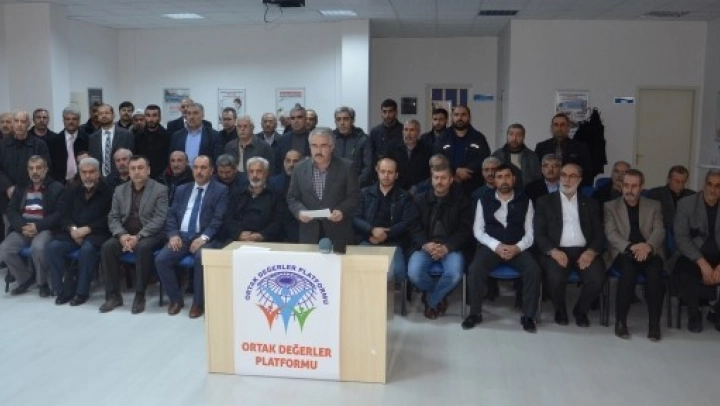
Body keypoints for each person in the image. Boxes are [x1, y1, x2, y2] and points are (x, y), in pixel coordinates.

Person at [464, 164, 542, 333]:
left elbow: (530, 232)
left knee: (534, 270)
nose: (504, 180)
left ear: (514, 179)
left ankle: (528, 316)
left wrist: (517, 248)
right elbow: (478, 230)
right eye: (499, 177)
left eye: (507, 176)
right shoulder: (484, 199)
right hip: (491, 247)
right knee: (475, 269)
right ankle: (475, 313)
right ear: (494, 180)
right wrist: (496, 246)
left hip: (517, 247)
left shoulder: (525, 200)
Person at [155, 155, 228, 318]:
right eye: (196, 167)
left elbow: (218, 219)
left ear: (211, 170)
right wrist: (173, 234)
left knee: (201, 258)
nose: (199, 171)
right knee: (161, 259)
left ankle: (198, 303)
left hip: (206, 237)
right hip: (182, 236)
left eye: (203, 168)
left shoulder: (220, 190)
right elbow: (171, 214)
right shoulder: (182, 189)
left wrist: (203, 238)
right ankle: (176, 299)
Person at [534, 163, 605, 327]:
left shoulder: (591, 203)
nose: (567, 180)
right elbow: (539, 233)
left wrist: (591, 251)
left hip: (584, 250)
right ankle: (560, 309)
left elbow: (599, 234)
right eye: (564, 175)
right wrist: (552, 251)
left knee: (597, 279)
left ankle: (581, 310)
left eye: (572, 176)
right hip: (556, 250)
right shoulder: (544, 202)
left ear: (579, 180)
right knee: (555, 278)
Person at [99, 155, 168, 314]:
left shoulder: (160, 190)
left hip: (151, 234)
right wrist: (122, 235)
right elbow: (113, 217)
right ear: (129, 171)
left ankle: (140, 295)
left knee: (143, 248)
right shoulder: (119, 190)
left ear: (148, 170)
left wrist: (138, 237)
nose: (137, 172)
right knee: (107, 247)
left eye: (140, 168)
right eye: (133, 168)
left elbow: (159, 219)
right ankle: (113, 296)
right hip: (126, 233)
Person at [604, 169, 665, 341]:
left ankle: (654, 324)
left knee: (655, 275)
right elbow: (611, 233)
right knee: (628, 273)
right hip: (624, 251)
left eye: (634, 186)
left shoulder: (654, 205)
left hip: (649, 250)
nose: (629, 190)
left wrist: (648, 246)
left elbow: (659, 230)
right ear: (621, 186)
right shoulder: (610, 206)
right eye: (626, 185)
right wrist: (632, 247)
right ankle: (621, 322)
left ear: (642, 187)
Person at [407, 162, 472, 319]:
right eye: (436, 178)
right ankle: (439, 295)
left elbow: (465, 230)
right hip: (425, 246)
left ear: (451, 180)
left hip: (451, 248)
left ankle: (431, 300)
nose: (439, 181)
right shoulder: (419, 200)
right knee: (414, 274)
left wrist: (447, 247)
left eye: (443, 178)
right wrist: (425, 244)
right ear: (431, 179)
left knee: (455, 274)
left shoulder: (462, 202)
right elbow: (413, 226)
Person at [47, 157, 112, 305]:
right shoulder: (72, 190)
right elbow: (64, 214)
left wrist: (88, 229)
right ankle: (62, 289)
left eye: (91, 172)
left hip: (97, 233)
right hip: (74, 233)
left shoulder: (108, 191)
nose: (88, 176)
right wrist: (73, 229)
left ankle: (81, 292)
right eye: (84, 172)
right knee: (53, 247)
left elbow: (109, 218)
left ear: (98, 173)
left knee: (87, 250)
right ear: (80, 173)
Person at [0, 156, 64, 296]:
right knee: (5, 249)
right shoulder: (21, 187)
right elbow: (11, 210)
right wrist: (22, 227)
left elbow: (60, 214)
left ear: (46, 169)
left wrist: (37, 226)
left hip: (45, 228)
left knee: (38, 248)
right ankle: (25, 279)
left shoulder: (56, 187)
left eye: (38, 168)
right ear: (28, 170)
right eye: (31, 168)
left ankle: (42, 283)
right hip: (23, 228)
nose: (35, 171)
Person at [287, 127, 359, 245]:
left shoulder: (347, 167)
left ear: (332, 147)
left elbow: (354, 197)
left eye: (323, 146)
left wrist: (342, 211)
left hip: (339, 231)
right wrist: (299, 212)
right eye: (314, 146)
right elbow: (292, 197)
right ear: (310, 147)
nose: (318, 150)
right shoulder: (299, 168)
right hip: (309, 232)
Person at [353, 157, 417, 282]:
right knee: (356, 270)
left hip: (393, 242)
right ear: (377, 171)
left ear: (396, 175)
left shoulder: (404, 197)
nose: (386, 176)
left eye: (390, 172)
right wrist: (372, 230)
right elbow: (355, 217)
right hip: (368, 240)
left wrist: (386, 235)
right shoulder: (364, 194)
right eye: (382, 171)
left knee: (395, 273)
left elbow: (406, 222)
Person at [673, 169, 720, 333]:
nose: (713, 189)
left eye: (718, 186)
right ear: (703, 184)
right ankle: (694, 313)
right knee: (685, 272)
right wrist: (702, 263)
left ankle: (717, 310)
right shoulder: (686, 204)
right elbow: (681, 238)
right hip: (692, 255)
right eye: (709, 184)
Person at [0, 111, 52, 219]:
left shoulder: (39, 144)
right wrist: (8, 186)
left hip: (33, 195)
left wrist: (26, 188)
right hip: (6, 195)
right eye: (16, 121)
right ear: (12, 123)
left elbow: (46, 167)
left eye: (23, 121)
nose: (19, 125)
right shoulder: (2, 145)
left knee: (30, 225)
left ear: (29, 124)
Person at [221, 157, 283, 246]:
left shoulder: (276, 194)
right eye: (251, 171)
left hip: (266, 240)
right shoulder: (237, 192)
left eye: (259, 171)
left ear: (266, 173)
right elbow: (228, 218)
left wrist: (262, 235)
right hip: (239, 239)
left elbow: (277, 221)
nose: (255, 175)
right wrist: (238, 234)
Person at [434, 105, 490, 196]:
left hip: (473, 186)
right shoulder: (443, 137)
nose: (459, 118)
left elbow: (484, 158)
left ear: (469, 117)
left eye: (463, 115)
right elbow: (437, 158)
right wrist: (455, 170)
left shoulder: (478, 137)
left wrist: (467, 171)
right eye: (456, 115)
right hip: (448, 186)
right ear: (452, 117)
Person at [535, 112, 593, 187]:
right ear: (551, 128)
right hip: (547, 188)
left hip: (573, 188)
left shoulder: (580, 147)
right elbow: (537, 172)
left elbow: (587, 173)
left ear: (568, 128)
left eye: (562, 125)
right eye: (556, 125)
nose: (559, 128)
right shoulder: (541, 147)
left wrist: (580, 190)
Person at [88, 104, 134, 177]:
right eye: (101, 114)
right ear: (98, 117)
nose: (104, 116)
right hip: (100, 179)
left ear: (113, 115)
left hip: (121, 177)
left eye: (107, 113)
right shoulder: (92, 138)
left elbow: (132, 158)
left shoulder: (126, 135)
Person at [331, 106, 372, 187]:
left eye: (346, 119)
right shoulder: (330, 138)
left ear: (352, 120)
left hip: (357, 186)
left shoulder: (363, 139)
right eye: (339, 119)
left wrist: (354, 184)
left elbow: (368, 167)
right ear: (335, 122)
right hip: (334, 186)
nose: (342, 123)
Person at [46, 107, 89, 184]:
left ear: (79, 121)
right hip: (59, 183)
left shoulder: (87, 139)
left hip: (83, 182)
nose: (71, 122)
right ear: (63, 121)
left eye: (74, 119)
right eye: (68, 119)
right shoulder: (53, 141)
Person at [388, 119, 432, 192]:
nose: (408, 133)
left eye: (412, 130)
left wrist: (417, 188)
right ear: (402, 132)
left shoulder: (427, 150)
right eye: (406, 130)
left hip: (420, 192)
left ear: (418, 132)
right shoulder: (392, 148)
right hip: (396, 191)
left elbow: (429, 175)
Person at [647, 165, 695, 232]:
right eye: (677, 181)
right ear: (668, 180)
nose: (680, 185)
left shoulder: (692, 196)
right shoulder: (655, 194)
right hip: (662, 232)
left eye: (683, 182)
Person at [268, 150, 302, 243]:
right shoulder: (273, 182)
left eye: (295, 161)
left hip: (298, 228)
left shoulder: (307, 183)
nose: (291, 164)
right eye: (288, 160)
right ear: (284, 162)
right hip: (277, 230)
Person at [134, 104, 170, 179]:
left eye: (154, 115)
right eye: (148, 115)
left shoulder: (167, 136)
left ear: (159, 118)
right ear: (145, 117)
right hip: (142, 175)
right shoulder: (138, 136)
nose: (151, 119)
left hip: (162, 177)